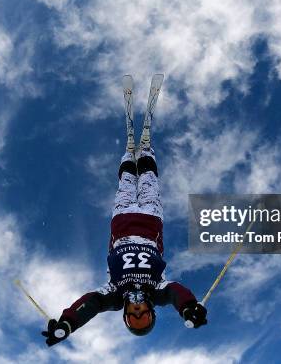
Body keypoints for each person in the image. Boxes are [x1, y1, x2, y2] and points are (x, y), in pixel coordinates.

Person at [42, 134, 207, 346]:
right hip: (150, 219)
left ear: (126, 316)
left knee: (126, 183)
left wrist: (67, 324)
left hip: (122, 221)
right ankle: (146, 150)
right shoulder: (158, 290)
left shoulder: (114, 294)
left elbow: (92, 303)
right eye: (144, 317)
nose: (138, 314)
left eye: (133, 319)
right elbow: (177, 293)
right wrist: (188, 307)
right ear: (151, 312)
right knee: (148, 180)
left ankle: (129, 154)